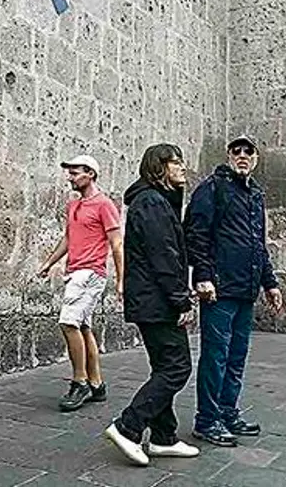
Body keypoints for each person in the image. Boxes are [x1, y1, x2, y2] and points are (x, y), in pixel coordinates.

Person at [104, 144, 200, 466]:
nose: (182, 167)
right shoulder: (153, 203)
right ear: (159, 167)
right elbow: (165, 258)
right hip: (156, 302)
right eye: (176, 162)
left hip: (152, 300)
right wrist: (181, 299)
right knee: (177, 368)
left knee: (164, 367)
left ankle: (163, 438)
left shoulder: (157, 201)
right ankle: (127, 426)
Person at [184, 135, 283, 448]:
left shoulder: (255, 193)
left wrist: (270, 283)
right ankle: (206, 420)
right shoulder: (212, 188)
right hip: (219, 289)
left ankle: (227, 412)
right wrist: (202, 276)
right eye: (237, 151)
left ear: (256, 157)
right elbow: (196, 234)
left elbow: (258, 244)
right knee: (216, 356)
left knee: (237, 356)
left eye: (248, 151)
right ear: (229, 155)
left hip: (246, 289)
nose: (242, 155)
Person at [37, 154, 124, 412]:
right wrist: (49, 263)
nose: (70, 178)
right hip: (74, 272)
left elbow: (116, 243)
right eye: (70, 173)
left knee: (68, 322)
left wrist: (121, 280)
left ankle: (80, 382)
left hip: (91, 273)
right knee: (83, 327)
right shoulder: (73, 206)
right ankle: (96, 384)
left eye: (75, 173)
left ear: (91, 174)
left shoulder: (104, 205)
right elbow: (68, 238)